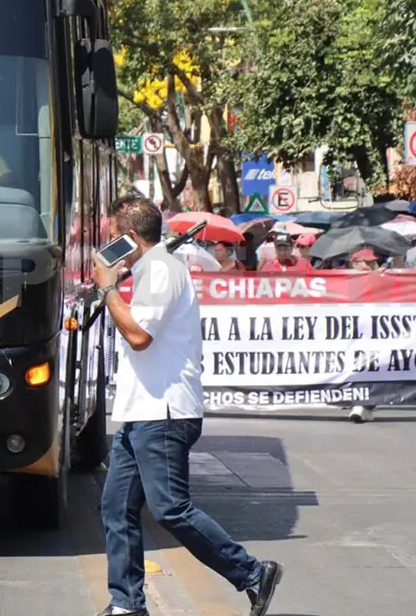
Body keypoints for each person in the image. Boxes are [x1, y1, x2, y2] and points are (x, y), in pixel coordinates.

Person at [91, 194, 283, 616]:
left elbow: (139, 337)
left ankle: (251, 572)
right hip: (142, 411)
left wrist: (108, 286)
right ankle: (127, 605)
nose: (106, 247)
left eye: (112, 238)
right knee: (116, 507)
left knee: (170, 509)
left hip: (164, 412)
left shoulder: (160, 270)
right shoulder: (148, 269)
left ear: (127, 236)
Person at [345, 249, 380, 423]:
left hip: (373, 334)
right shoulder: (344, 282)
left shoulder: (381, 279)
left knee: (370, 367)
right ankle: (360, 404)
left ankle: (365, 405)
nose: (369, 265)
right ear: (354, 264)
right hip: (350, 334)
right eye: (365, 262)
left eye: (372, 262)